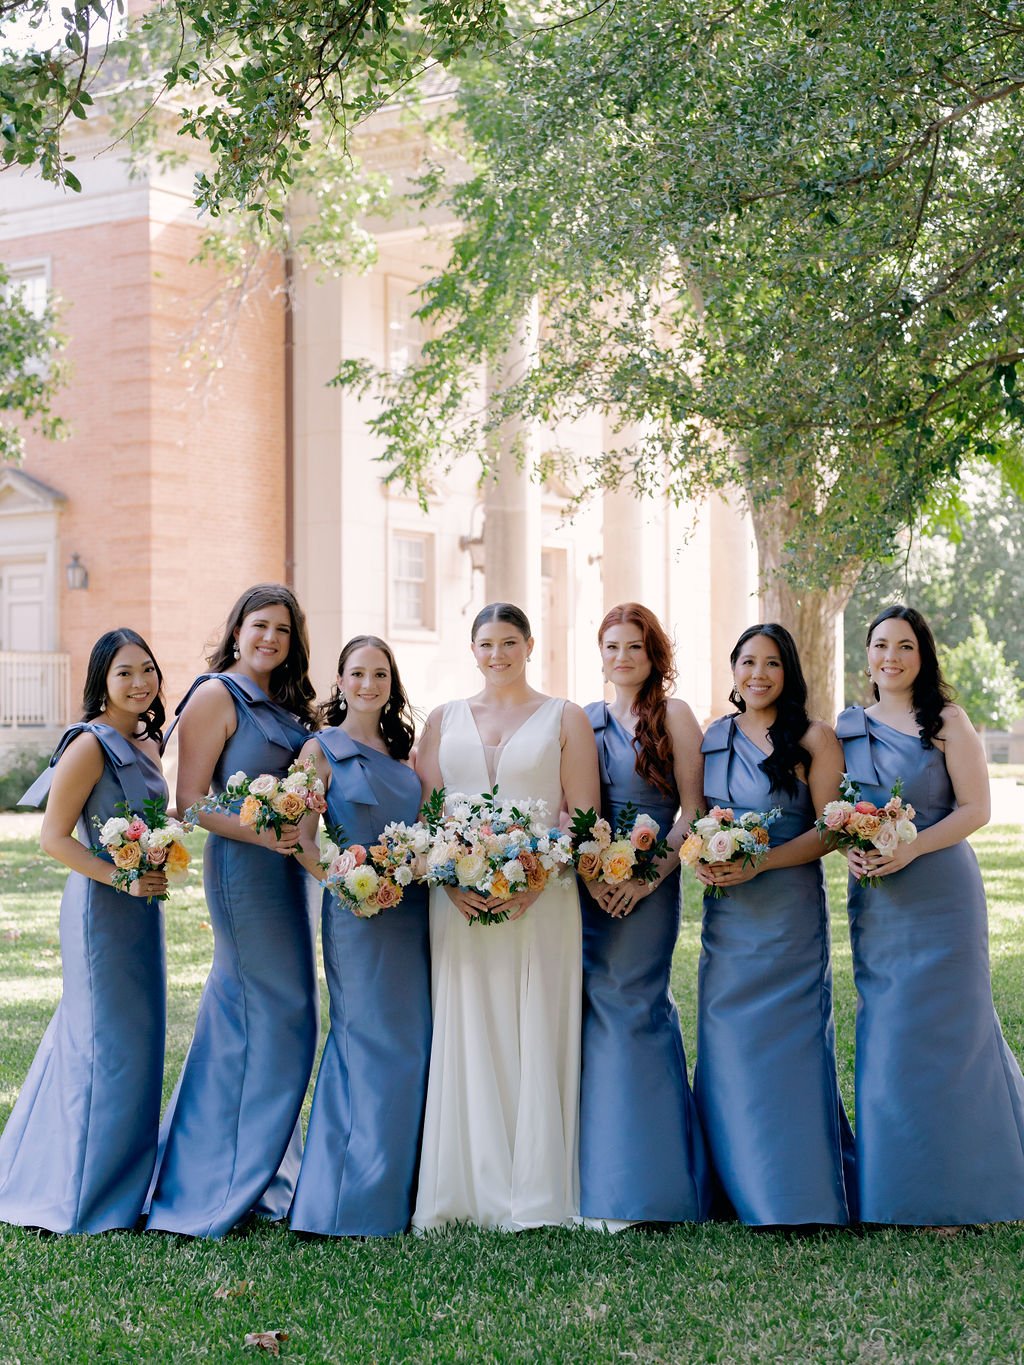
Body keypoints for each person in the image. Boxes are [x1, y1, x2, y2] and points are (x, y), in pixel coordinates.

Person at [412, 602, 600, 1231]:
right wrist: (449, 878)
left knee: (535, 1019)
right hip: (458, 902)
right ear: (472, 650)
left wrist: (538, 878)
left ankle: (536, 1184)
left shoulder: (565, 716)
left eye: (510, 642)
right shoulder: (441, 720)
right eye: (487, 643)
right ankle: (466, 1185)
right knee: (467, 1020)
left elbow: (580, 814)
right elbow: (428, 816)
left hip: (544, 898)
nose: (499, 655)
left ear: (529, 645)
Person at [839, 605, 1024, 1226]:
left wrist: (912, 845)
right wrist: (854, 850)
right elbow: (837, 809)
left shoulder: (946, 721)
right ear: (866, 654)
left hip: (941, 891)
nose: (890, 657)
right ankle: (897, 1192)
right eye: (880, 645)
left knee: (951, 1035)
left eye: (904, 647)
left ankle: (967, 1188)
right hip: (879, 899)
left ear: (923, 656)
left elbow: (977, 808)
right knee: (887, 1037)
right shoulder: (847, 726)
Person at [146, 584, 319, 1239]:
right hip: (245, 872)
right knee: (273, 1015)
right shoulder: (216, 694)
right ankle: (224, 1177)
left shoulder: (289, 706)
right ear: (237, 629)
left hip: (287, 873)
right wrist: (261, 832)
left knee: (276, 1017)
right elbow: (186, 802)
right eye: (259, 625)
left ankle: (267, 1165)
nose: (269, 637)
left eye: (282, 629)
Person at [0, 629, 169, 1233]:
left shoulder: (145, 743)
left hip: (143, 908)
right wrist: (119, 880)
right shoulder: (89, 745)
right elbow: (53, 838)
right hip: (102, 911)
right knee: (103, 1047)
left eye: (147, 670)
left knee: (137, 1047)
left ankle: (122, 1184)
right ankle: (80, 1193)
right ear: (101, 679)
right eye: (124, 672)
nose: (139, 682)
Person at [693, 623, 855, 1226]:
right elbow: (700, 819)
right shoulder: (712, 737)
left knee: (789, 1045)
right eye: (747, 662)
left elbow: (831, 829)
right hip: (728, 918)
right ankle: (732, 1189)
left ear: (788, 672)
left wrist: (761, 859)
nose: (757, 674)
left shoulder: (815, 738)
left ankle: (797, 1191)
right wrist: (703, 858)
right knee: (728, 1042)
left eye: (771, 664)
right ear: (733, 670)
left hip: (787, 911)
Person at [290, 636, 431, 1237]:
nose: (369, 683)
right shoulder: (318, 750)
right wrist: (342, 882)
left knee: (413, 1043)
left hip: (413, 913)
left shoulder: (409, 755)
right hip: (355, 915)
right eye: (357, 673)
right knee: (362, 1038)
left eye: (380, 674)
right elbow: (298, 841)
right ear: (340, 681)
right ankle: (342, 1199)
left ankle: (397, 1192)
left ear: (391, 683)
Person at [579, 603, 710, 1229]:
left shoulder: (675, 716)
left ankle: (653, 1182)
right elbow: (570, 808)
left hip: (652, 881)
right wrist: (592, 874)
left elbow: (692, 810)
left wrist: (650, 876)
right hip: (592, 887)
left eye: (634, 646)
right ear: (599, 654)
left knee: (635, 1006)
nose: (622, 657)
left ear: (653, 654)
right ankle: (598, 1177)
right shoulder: (583, 720)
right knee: (592, 1011)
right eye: (611, 647)